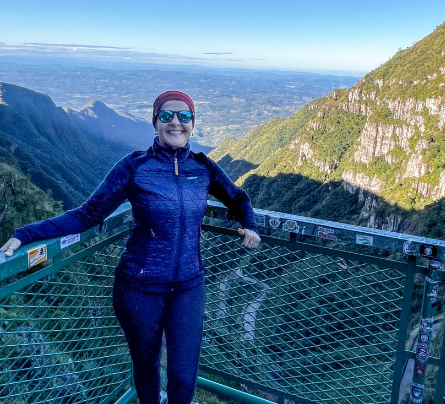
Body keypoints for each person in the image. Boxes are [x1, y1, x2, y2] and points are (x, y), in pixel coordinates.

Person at [1, 90, 261, 404]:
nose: (175, 122)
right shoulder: (135, 166)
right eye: (166, 116)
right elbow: (88, 214)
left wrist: (250, 223)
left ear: (193, 123)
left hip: (189, 287)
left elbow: (238, 198)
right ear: (155, 122)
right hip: (137, 287)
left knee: (183, 373)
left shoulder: (204, 168)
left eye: (184, 116)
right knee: (147, 364)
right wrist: (26, 233)